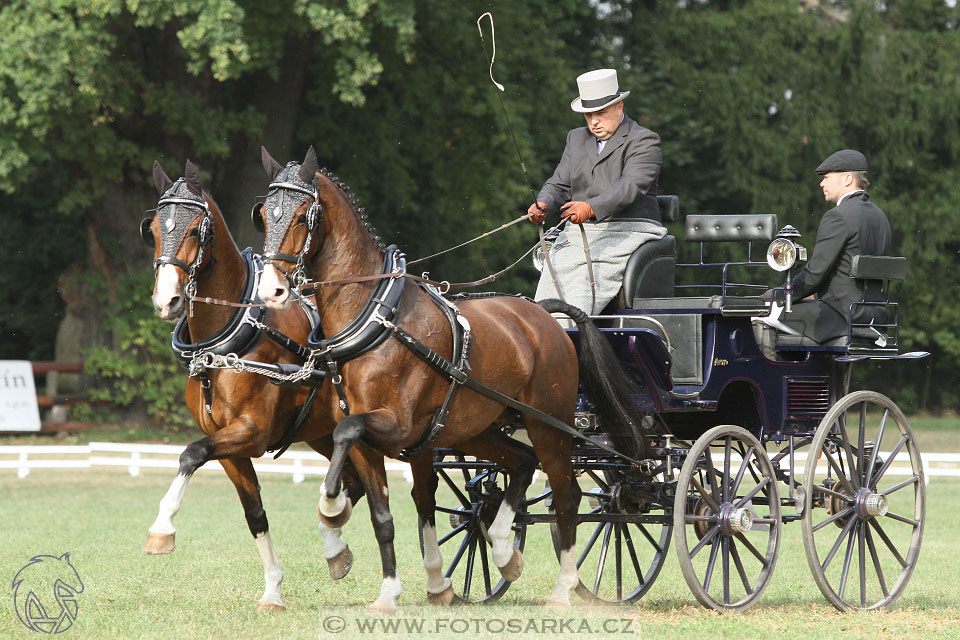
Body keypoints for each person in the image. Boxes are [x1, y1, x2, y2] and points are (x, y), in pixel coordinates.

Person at [528, 68, 666, 316]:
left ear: (619, 107)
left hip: (629, 227)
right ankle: (546, 329)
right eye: (588, 115)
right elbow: (559, 183)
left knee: (583, 278)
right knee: (554, 268)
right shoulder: (576, 139)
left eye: (600, 113)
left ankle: (571, 331)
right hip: (580, 230)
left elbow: (631, 187)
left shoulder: (645, 140)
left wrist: (590, 208)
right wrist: (543, 204)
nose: (594, 122)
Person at [765, 149, 892, 343]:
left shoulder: (838, 216)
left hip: (841, 316)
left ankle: (770, 373)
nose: (821, 183)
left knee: (758, 314)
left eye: (826, 177)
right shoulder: (880, 217)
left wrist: (779, 295)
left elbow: (815, 274)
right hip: (874, 318)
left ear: (847, 179)